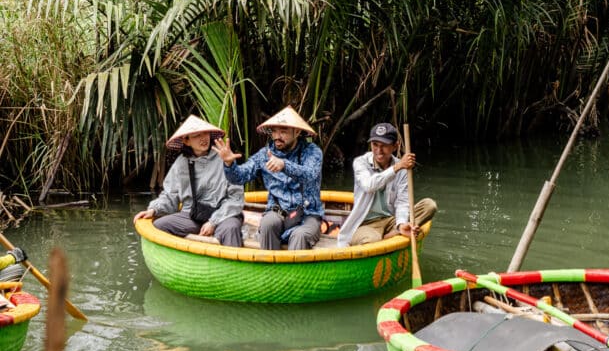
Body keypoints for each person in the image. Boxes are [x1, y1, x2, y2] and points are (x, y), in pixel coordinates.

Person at [218, 106, 323, 250]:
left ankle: (295, 273)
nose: (277, 136)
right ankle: (269, 271)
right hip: (277, 211)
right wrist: (229, 164)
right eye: (274, 131)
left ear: (297, 132)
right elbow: (239, 177)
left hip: (307, 214)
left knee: (300, 235)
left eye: (283, 131)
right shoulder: (264, 155)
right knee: (268, 224)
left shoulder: (312, 152)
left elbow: (309, 174)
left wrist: (284, 165)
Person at [133, 115, 244, 246]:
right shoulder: (181, 163)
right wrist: (154, 210)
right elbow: (170, 195)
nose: (203, 138)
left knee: (230, 228)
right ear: (186, 141)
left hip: (224, 215)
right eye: (197, 135)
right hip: (193, 215)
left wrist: (213, 222)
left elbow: (235, 198)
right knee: (159, 225)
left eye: (205, 133)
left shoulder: (225, 158)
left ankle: (232, 265)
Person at [337, 122, 436, 247]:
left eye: (384, 146)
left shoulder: (403, 169)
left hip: (391, 221)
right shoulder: (360, 162)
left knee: (429, 205)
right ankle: (388, 236)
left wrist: (401, 224)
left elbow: (402, 202)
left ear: (395, 146)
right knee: (371, 241)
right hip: (366, 224)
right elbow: (369, 185)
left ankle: (397, 231)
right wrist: (397, 168)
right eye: (375, 145)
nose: (379, 151)